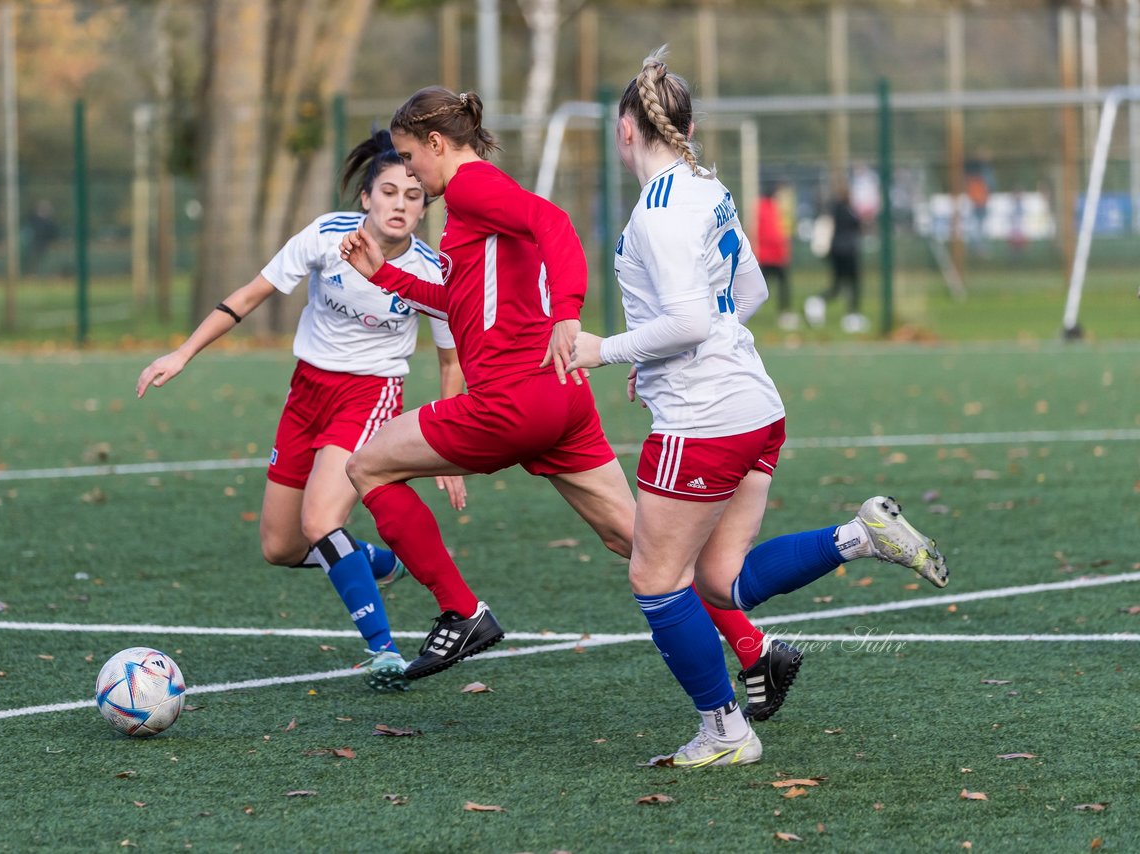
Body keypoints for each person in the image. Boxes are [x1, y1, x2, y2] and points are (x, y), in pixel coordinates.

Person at [338, 88, 803, 719]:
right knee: (646, 549)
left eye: (409, 157)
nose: (410, 175)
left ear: (438, 145)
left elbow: (554, 224)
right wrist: (385, 276)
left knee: (366, 465)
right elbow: (467, 305)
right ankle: (755, 651)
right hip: (561, 399)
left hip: (512, 400)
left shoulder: (473, 188)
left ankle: (462, 611)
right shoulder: (474, 206)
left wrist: (568, 314)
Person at [567, 47, 950, 768]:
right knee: (720, 580)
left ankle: (725, 732)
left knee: (656, 580)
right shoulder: (707, 187)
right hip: (754, 405)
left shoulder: (655, 214)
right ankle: (859, 537)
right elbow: (748, 296)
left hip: (701, 420)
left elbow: (684, 322)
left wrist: (606, 349)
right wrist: (665, 350)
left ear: (627, 129)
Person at [136, 128, 465, 692]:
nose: (401, 205)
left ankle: (383, 650)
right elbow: (247, 296)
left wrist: (449, 452)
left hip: (371, 394)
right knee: (281, 546)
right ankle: (378, 563)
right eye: (389, 192)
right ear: (366, 197)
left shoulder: (433, 272)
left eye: (413, 197)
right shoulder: (324, 237)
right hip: (306, 392)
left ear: (424, 206)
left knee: (319, 522)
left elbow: (450, 362)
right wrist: (184, 352)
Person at [806, 183, 865, 332]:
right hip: (847, 251)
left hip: (837, 251)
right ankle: (852, 317)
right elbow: (857, 225)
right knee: (853, 284)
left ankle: (817, 302)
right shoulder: (845, 209)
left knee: (837, 286)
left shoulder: (834, 209)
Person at [754, 182, 794, 329]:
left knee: (763, 285)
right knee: (779, 285)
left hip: (766, 255)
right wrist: (783, 249)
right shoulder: (769, 207)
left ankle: (782, 311)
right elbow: (772, 233)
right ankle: (784, 313)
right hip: (772, 255)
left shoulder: (761, 206)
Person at [21, 200, 58, 274]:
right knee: (33, 261)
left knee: (41, 262)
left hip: (45, 245)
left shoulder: (49, 222)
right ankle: (30, 273)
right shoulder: (33, 219)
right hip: (33, 245)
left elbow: (53, 234)